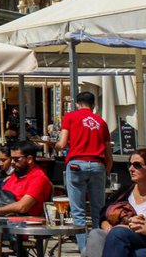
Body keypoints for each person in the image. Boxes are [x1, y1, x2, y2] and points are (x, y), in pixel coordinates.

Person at [82, 149, 146, 257]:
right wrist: (109, 228)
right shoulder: (124, 191)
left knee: (118, 234)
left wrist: (137, 225)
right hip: (116, 235)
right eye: (130, 165)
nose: (131, 169)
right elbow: (103, 216)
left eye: (137, 165)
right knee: (96, 235)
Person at [0, 141, 54, 257]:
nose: (12, 163)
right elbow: (0, 200)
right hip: (3, 222)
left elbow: (22, 207)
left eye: (16, 159)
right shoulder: (16, 175)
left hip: (20, 226)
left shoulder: (38, 178)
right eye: (12, 159)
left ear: (29, 159)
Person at [56, 91, 112, 249]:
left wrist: (56, 145)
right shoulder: (101, 122)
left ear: (77, 104)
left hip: (76, 164)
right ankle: (98, 249)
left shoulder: (70, 117)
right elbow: (109, 153)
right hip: (98, 165)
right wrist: (106, 170)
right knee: (98, 211)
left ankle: (85, 250)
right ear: (93, 106)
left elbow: (62, 143)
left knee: (78, 211)